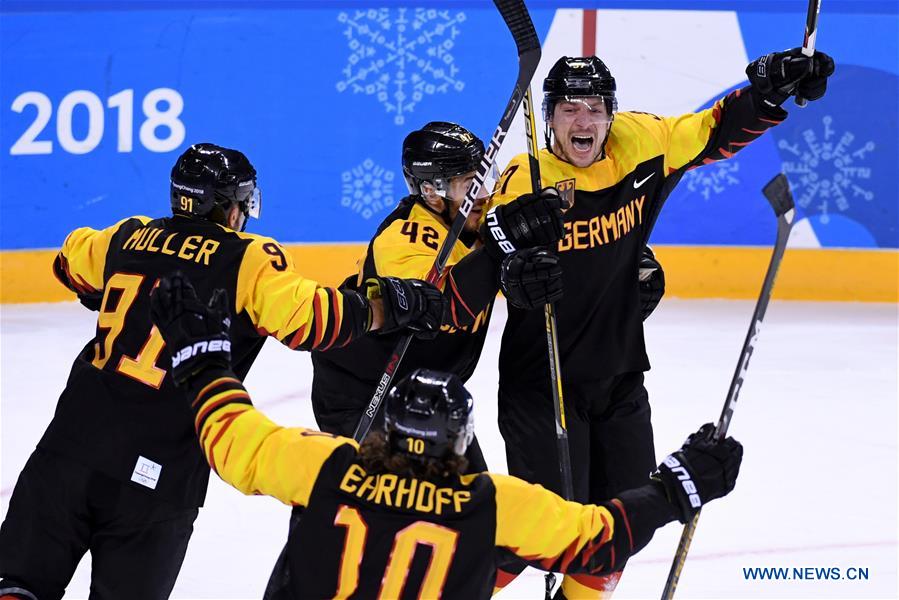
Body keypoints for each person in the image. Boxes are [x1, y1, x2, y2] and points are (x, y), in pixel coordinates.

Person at [0, 143, 445, 600]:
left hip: (67, 450)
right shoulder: (245, 258)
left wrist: (103, 286)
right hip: (158, 476)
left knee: (17, 587)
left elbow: (69, 261)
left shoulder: (127, 236)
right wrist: (390, 305)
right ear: (231, 207)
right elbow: (313, 320)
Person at [148, 273, 744, 599]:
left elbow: (230, 438)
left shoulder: (325, 465)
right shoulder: (491, 502)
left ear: (386, 428)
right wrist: (678, 487)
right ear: (460, 441)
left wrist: (202, 364)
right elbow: (599, 541)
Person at [488, 49, 834, 598]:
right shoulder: (525, 178)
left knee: (627, 522)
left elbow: (711, 131)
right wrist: (515, 268)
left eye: (595, 108)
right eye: (569, 108)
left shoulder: (642, 143)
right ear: (549, 117)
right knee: (539, 531)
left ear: (612, 113)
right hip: (543, 383)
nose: (583, 120)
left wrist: (769, 91)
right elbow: (493, 246)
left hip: (620, 374)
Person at [310, 121, 568, 465]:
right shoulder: (402, 239)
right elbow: (441, 309)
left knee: (472, 493)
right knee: (398, 496)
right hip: (364, 393)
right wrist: (499, 248)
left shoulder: (477, 219)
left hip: (429, 392)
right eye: (469, 184)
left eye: (485, 177)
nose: (483, 193)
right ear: (431, 192)